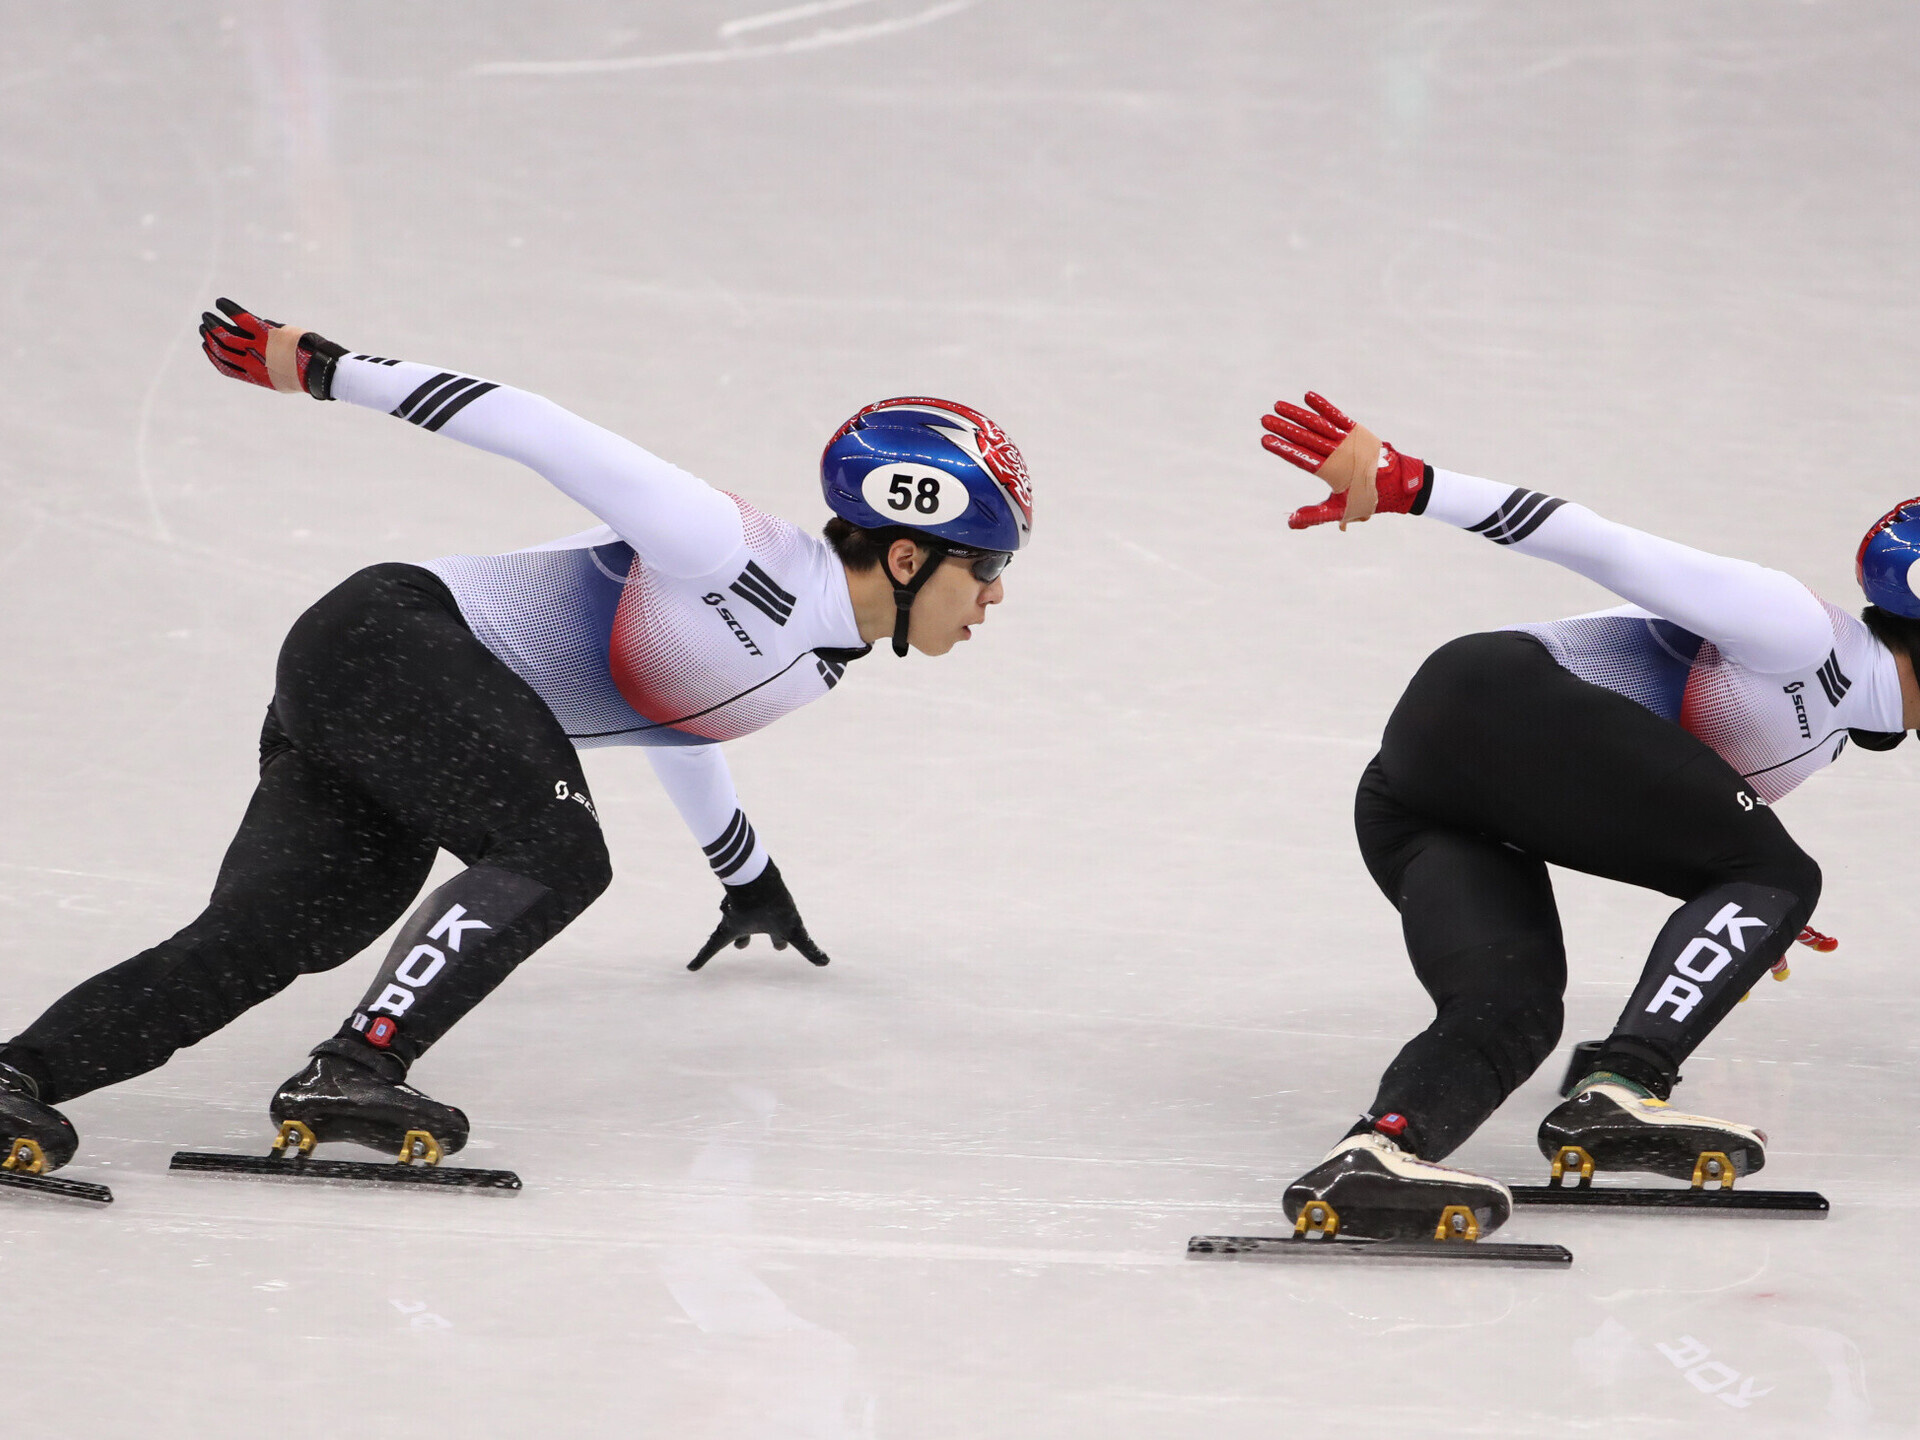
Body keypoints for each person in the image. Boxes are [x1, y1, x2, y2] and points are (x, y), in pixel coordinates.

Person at [0, 299, 1032, 1172]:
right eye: (985, 570)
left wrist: (744, 871)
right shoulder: (730, 548)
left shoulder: (812, 657)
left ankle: (21, 1075)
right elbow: (539, 427)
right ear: (905, 558)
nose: (990, 600)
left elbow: (678, 717)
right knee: (557, 851)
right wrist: (321, 370)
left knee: (281, 934)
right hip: (392, 640)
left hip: (380, 690)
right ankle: (358, 1067)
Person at [1258, 392, 1915, 1241]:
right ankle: (1623, 1090)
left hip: (1422, 792)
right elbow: (1599, 542)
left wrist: (1755, 919)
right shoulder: (1797, 632)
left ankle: (1377, 1155)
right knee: (1782, 873)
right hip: (1495, 698)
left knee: (1513, 1006)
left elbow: (1661, 813)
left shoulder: (1822, 740)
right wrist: (1416, 484)